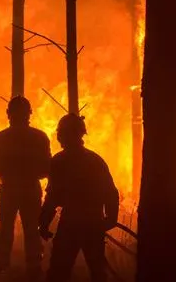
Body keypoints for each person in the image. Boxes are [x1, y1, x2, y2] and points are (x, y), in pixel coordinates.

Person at [38, 114, 119, 282]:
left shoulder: (59, 161)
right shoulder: (95, 160)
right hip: (93, 223)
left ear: (63, 135)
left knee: (58, 273)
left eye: (61, 133)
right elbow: (111, 192)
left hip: (71, 223)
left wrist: (43, 223)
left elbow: (52, 198)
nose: (59, 137)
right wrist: (110, 219)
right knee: (98, 273)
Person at [0, 96, 52, 278]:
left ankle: (0, 267)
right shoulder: (40, 137)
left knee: (5, 228)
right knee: (32, 229)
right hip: (31, 191)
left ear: (8, 114)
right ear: (29, 114)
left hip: (8, 191)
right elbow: (47, 169)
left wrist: (4, 166)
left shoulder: (0, 138)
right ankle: (34, 268)